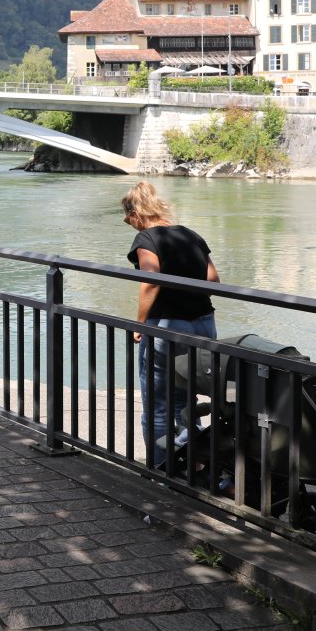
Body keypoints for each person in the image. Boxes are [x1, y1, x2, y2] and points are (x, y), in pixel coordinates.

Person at [122, 181, 219, 469]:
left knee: (159, 406)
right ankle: (193, 467)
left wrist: (139, 324)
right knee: (187, 402)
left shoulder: (146, 239)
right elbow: (213, 280)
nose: (128, 223)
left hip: (167, 327)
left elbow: (151, 280)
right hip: (204, 324)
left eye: (127, 218)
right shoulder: (190, 235)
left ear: (136, 214)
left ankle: (162, 470)